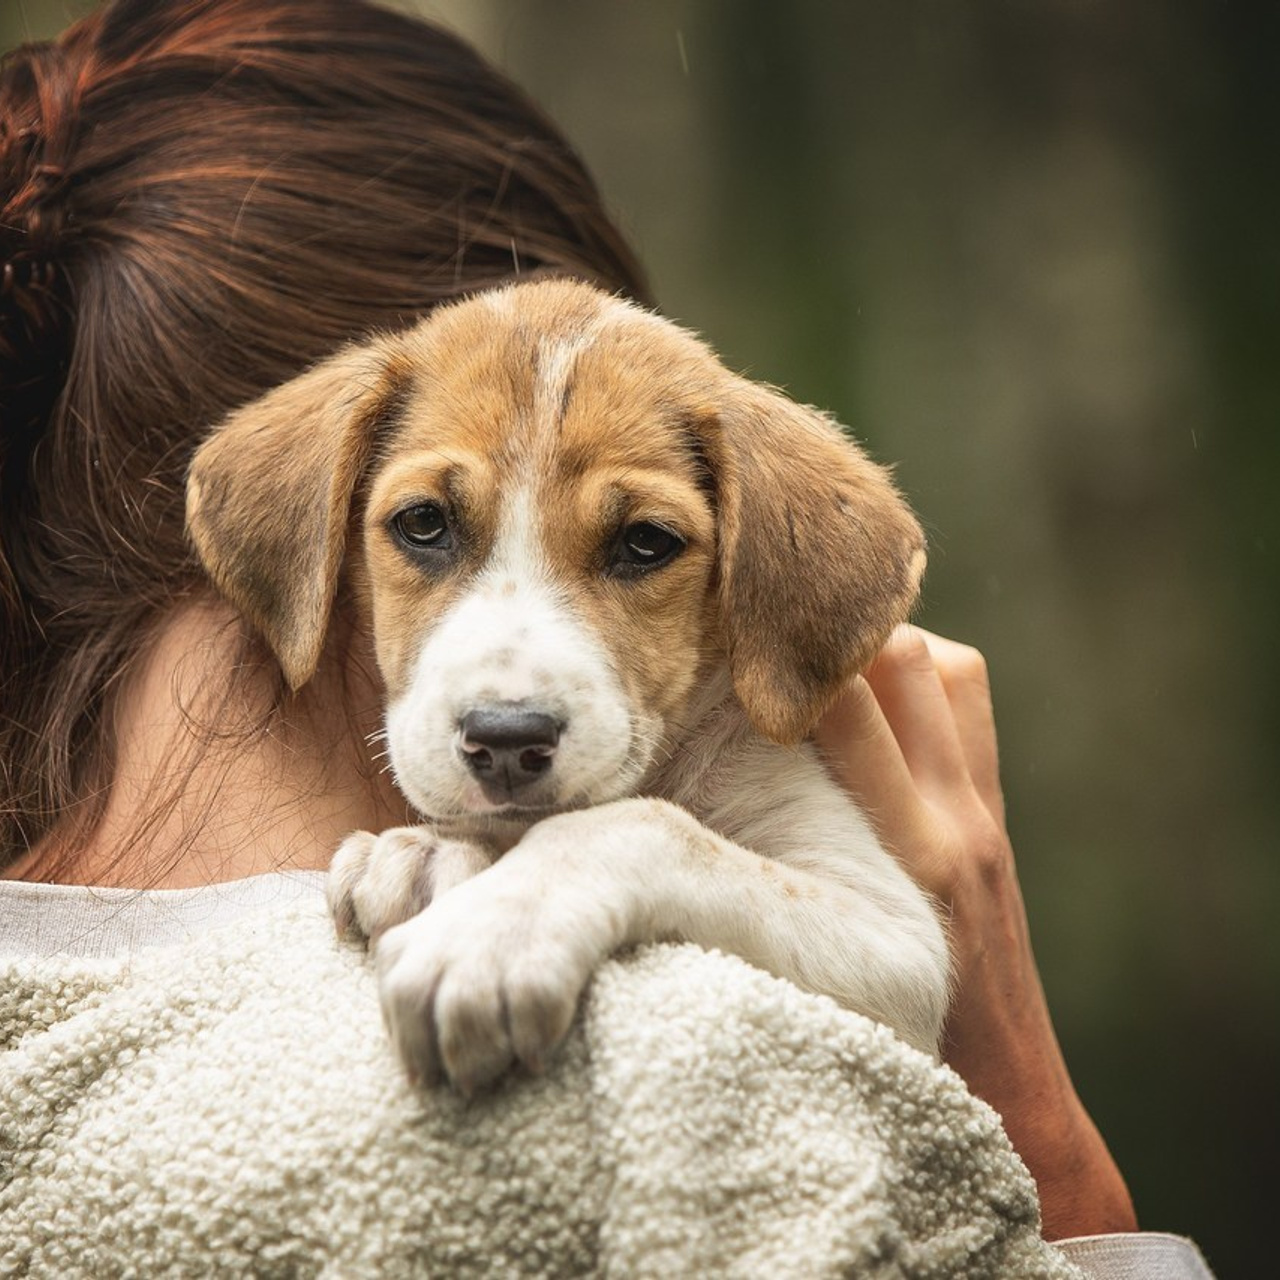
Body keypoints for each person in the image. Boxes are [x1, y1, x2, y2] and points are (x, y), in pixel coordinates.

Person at [0, 2, 1212, 1275]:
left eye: (637, 547)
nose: (512, 672)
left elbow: (886, 966)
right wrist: (1065, 1173)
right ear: (309, 527)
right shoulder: (660, 1092)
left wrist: (587, 853)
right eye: (425, 529)